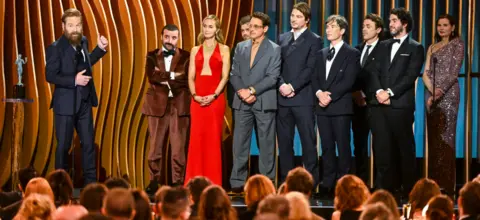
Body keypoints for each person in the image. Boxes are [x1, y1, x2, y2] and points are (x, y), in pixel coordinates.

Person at [45, 8, 108, 185]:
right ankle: (60, 186)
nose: (75, 29)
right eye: (71, 25)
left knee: (88, 146)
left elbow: (87, 62)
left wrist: (100, 49)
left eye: (78, 25)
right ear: (63, 26)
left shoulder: (84, 42)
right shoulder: (55, 48)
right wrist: (74, 80)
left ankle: (91, 187)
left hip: (85, 103)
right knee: (63, 147)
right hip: (65, 105)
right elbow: (50, 75)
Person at [368, 7, 424, 197]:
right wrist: (378, 91)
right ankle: (384, 190)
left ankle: (408, 189)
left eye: (393, 21)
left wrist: (389, 93)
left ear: (404, 23)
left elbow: (410, 76)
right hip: (379, 105)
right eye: (390, 21)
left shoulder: (415, 48)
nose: (390, 24)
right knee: (382, 149)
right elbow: (373, 71)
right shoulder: (383, 45)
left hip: (400, 105)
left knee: (404, 148)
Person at [229, 11, 281, 192]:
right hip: (241, 101)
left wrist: (252, 90)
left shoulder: (274, 49)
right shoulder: (240, 47)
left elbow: (272, 77)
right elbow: (234, 74)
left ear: (265, 29)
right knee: (239, 143)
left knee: (266, 145)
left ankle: (267, 183)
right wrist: (242, 92)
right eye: (250, 26)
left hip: (263, 101)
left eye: (256, 26)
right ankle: (237, 183)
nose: (251, 29)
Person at [311, 15, 360, 196]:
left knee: (343, 145)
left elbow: (349, 80)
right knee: (327, 146)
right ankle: (328, 181)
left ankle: (344, 183)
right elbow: (314, 77)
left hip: (340, 106)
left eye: (332, 27)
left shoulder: (352, 53)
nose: (328, 30)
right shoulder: (320, 53)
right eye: (327, 27)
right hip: (322, 107)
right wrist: (319, 94)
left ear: (342, 31)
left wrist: (329, 96)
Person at [277, 2, 322, 187]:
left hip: (303, 98)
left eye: (298, 16)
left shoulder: (314, 39)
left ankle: (311, 183)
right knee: (285, 144)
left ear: (307, 20)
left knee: (308, 143)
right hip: (283, 98)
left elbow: (311, 68)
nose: (293, 19)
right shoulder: (282, 38)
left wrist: (292, 86)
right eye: (293, 15)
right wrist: (281, 85)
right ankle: (285, 182)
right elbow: (275, 65)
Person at [143, 24, 191, 191]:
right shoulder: (151, 56)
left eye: (174, 37)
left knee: (178, 148)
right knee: (155, 147)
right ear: (161, 36)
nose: (170, 41)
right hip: (157, 105)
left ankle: (178, 181)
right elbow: (152, 77)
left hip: (179, 105)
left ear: (178, 38)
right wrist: (173, 75)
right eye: (167, 37)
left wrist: (164, 76)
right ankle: (154, 181)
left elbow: (186, 80)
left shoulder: (187, 56)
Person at [184, 15, 230, 186]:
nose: (207, 29)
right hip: (197, 100)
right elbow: (190, 77)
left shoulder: (224, 49)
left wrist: (214, 95)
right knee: (196, 140)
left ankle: (213, 183)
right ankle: (193, 182)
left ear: (217, 29)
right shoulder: (195, 50)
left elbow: (225, 77)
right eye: (205, 26)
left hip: (215, 99)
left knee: (212, 141)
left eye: (210, 26)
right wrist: (195, 96)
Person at [422, 14, 464, 197]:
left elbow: (453, 73)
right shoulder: (432, 47)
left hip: (448, 95)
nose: (442, 28)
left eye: (446, 25)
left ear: (452, 27)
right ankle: (434, 186)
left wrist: (438, 92)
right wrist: (432, 92)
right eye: (439, 25)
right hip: (431, 96)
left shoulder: (458, 44)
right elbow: (426, 73)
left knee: (447, 139)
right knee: (433, 139)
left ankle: (448, 187)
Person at [353, 13, 384, 184]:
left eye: (368, 26)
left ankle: (381, 185)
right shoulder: (356, 50)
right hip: (358, 104)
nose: (364, 29)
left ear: (378, 30)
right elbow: (350, 75)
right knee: (359, 146)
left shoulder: (385, 49)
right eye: (363, 26)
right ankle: (361, 183)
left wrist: (370, 94)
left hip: (377, 103)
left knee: (380, 146)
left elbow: (384, 76)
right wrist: (355, 92)